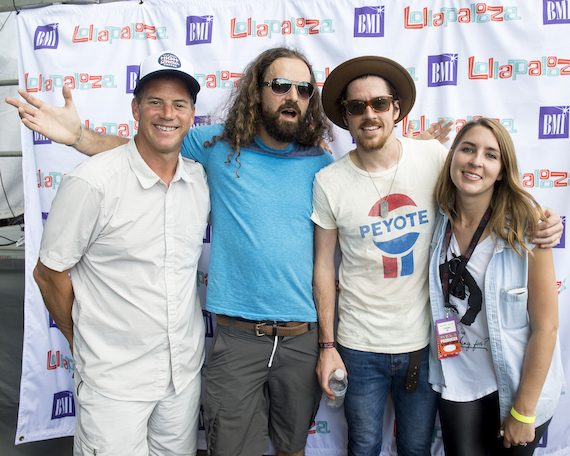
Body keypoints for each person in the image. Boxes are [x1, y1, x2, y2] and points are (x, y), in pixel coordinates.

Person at [311, 56, 563, 456]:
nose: (369, 113)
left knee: (416, 448)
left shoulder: (432, 157)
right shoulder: (329, 181)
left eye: (379, 103)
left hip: (424, 346)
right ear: (345, 115)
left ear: (397, 109)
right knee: (362, 445)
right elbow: (324, 266)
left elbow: (481, 183)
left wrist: (543, 219)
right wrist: (328, 345)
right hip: (360, 345)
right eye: (356, 106)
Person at [32, 51, 210, 455]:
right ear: (135, 108)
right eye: (155, 102)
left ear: (192, 113)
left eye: (179, 104)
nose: (167, 113)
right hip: (113, 383)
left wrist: (81, 137)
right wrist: (83, 341)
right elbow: (49, 274)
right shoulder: (92, 183)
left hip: (181, 379)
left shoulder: (199, 179)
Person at [428, 118, 564, 455]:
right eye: (468, 149)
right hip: (457, 378)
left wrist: (523, 410)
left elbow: (546, 327)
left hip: (517, 386)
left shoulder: (527, 229)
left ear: (502, 171)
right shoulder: (435, 215)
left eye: (491, 155)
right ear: (452, 157)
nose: (476, 161)